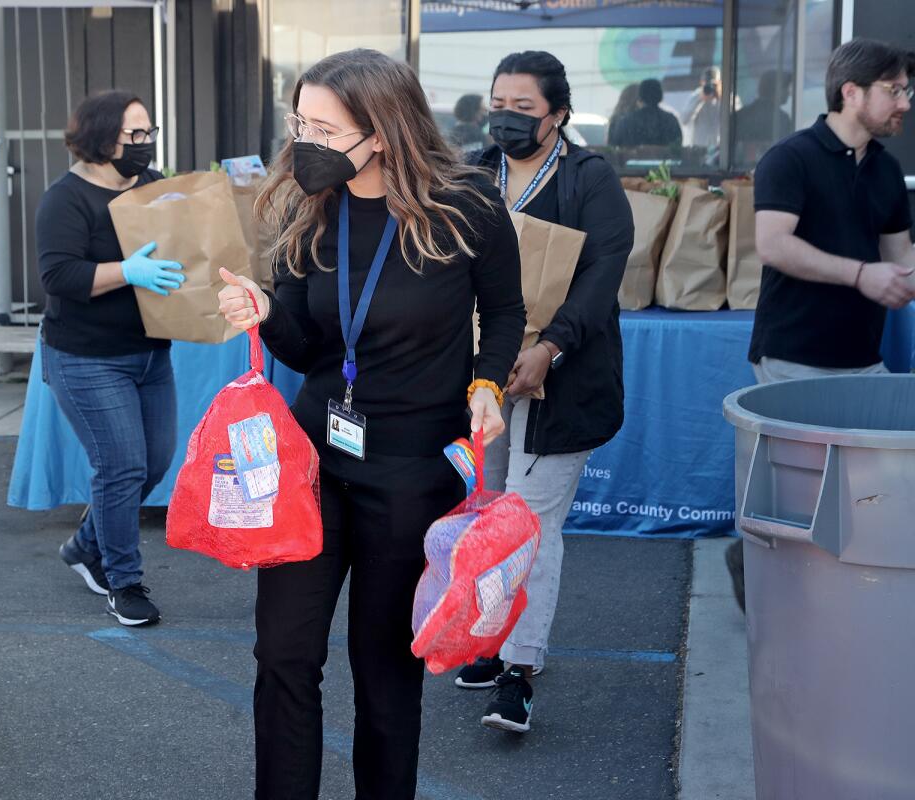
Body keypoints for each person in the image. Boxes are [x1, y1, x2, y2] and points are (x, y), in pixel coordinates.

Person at [216, 48, 524, 800]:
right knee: (283, 654)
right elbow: (306, 345)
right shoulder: (308, 209)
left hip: (412, 474)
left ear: (381, 132)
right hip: (313, 465)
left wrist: (487, 383)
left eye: (324, 127)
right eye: (300, 122)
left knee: (385, 671)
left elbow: (507, 312)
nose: (305, 142)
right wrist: (267, 313)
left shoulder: (468, 206)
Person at [453, 51, 634, 735]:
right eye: (498, 102)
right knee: (489, 515)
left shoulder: (590, 179)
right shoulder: (475, 172)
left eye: (523, 108)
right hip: (483, 376)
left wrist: (550, 348)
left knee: (529, 525)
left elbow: (600, 279)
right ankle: (495, 639)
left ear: (558, 114)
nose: (506, 118)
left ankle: (519, 673)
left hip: (564, 376)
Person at [726, 39, 915, 609]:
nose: (905, 101)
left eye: (905, 90)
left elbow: (898, 258)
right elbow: (774, 245)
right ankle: (761, 572)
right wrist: (862, 275)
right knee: (803, 495)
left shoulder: (886, 170)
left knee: (879, 487)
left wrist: (899, 276)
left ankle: (846, 600)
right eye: (895, 89)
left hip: (864, 356)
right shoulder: (791, 157)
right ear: (851, 91)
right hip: (793, 353)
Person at [35, 89, 185, 626]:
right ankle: (124, 582)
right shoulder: (66, 199)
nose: (145, 145)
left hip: (150, 353)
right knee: (120, 466)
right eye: (135, 135)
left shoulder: (150, 186)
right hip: (86, 358)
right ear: (101, 138)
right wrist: (128, 270)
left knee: (156, 461)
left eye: (149, 133)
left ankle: (83, 545)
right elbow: (59, 277)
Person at [733, 69, 794, 165]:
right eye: (786, 88)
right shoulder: (782, 119)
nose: (789, 93)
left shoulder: (740, 114)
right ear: (776, 89)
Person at [609, 78, 683, 147]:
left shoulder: (625, 122)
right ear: (660, 96)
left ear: (640, 96)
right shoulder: (670, 120)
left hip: (630, 160)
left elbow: (615, 146)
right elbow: (677, 145)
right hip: (663, 161)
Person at [682, 66, 724, 148]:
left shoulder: (727, 97)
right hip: (699, 148)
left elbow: (735, 119)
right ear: (701, 82)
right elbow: (684, 119)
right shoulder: (695, 96)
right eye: (707, 83)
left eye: (714, 84)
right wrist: (700, 100)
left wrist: (720, 98)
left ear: (720, 83)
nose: (710, 87)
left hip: (720, 149)